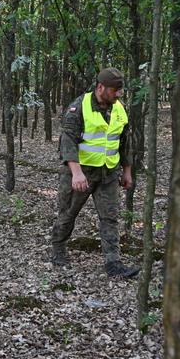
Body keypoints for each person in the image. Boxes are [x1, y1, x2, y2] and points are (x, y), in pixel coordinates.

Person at [51, 67, 140, 278]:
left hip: (107, 173)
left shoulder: (119, 109)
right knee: (67, 214)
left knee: (110, 218)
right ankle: (58, 250)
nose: (118, 94)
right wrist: (76, 173)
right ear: (101, 87)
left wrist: (127, 171)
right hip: (81, 173)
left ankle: (113, 263)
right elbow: (67, 141)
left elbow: (125, 142)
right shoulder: (79, 107)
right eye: (114, 90)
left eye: (120, 90)